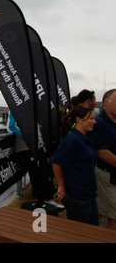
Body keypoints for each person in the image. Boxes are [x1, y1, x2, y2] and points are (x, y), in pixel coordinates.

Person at [52, 105, 99, 225]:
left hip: (90, 195)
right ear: (78, 119)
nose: (94, 121)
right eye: (91, 118)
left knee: (94, 232)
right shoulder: (72, 140)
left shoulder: (85, 138)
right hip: (78, 197)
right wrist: (61, 186)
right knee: (81, 235)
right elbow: (56, 162)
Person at [90, 89, 116, 229]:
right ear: (106, 103)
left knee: (111, 215)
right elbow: (103, 153)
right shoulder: (99, 123)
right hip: (107, 176)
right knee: (113, 214)